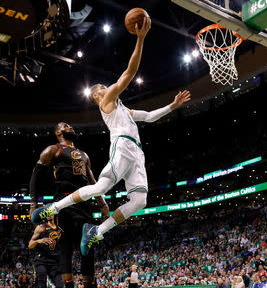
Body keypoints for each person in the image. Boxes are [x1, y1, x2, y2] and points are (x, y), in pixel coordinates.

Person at [31, 17, 191, 257]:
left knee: (140, 201)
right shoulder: (106, 102)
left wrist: (172, 106)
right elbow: (130, 72)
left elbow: (147, 116)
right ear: (98, 95)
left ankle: (96, 231)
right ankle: (52, 208)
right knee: (100, 187)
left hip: (136, 151)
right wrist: (140, 39)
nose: (108, 88)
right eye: (103, 88)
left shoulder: (122, 108)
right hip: (123, 145)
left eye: (107, 87)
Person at [28, 122, 109, 288]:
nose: (70, 126)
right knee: (65, 250)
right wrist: (33, 204)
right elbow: (35, 175)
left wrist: (103, 204)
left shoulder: (84, 154)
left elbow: (93, 182)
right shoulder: (53, 150)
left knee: (88, 249)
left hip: (84, 203)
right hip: (63, 202)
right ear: (58, 132)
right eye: (65, 125)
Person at [15, 218, 67, 288]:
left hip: (55, 261)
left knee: (60, 283)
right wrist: (39, 240)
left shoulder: (60, 229)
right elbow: (30, 245)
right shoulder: (41, 227)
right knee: (41, 286)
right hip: (41, 260)